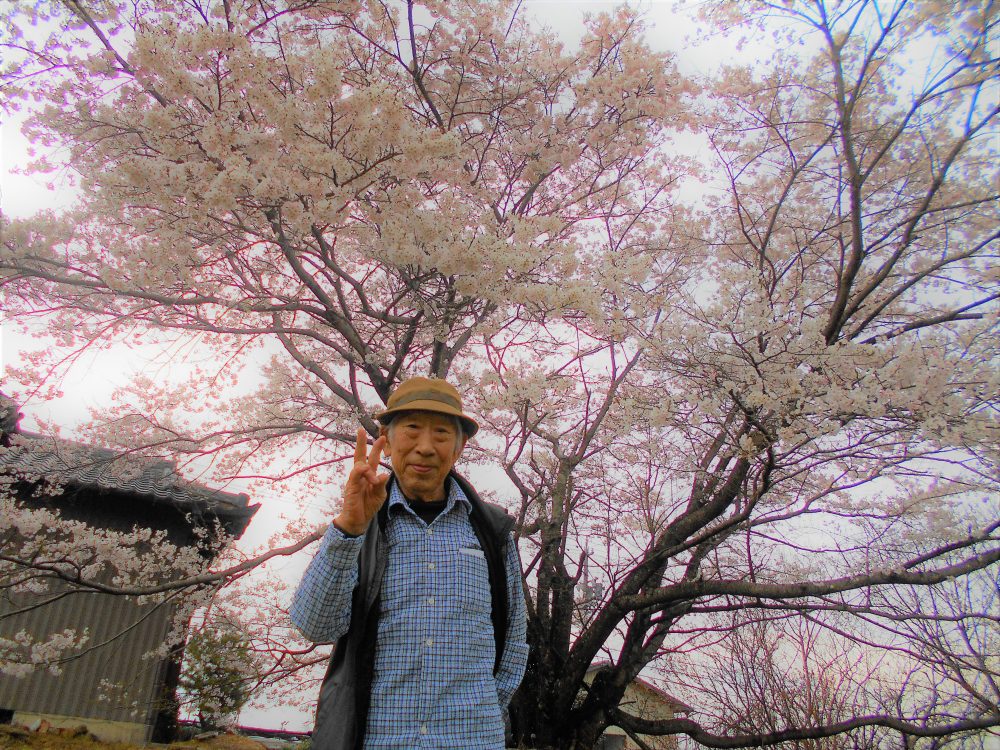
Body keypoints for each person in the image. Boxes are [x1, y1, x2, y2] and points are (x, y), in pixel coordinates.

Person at [290, 376, 528, 750]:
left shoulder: (491, 530)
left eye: (441, 434)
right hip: (378, 740)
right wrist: (349, 528)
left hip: (473, 739)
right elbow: (315, 626)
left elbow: (514, 639)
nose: (425, 447)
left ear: (460, 447)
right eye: (412, 429)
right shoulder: (360, 524)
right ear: (385, 440)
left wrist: (484, 713)